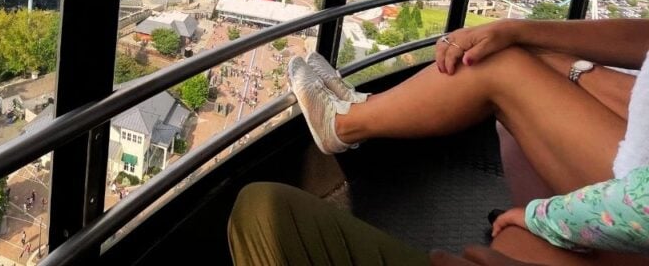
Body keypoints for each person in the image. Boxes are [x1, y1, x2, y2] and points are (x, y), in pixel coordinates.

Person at [228, 18, 649, 265]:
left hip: (634, 203)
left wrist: (545, 218)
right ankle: (356, 111)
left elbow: (642, 205)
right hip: (631, 189)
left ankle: (346, 123)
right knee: (520, 62)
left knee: (501, 67)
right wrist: (531, 37)